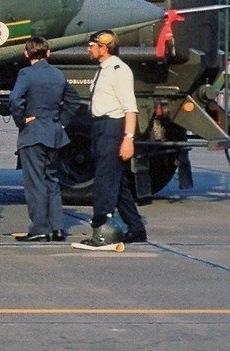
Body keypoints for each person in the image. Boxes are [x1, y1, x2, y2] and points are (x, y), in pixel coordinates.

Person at [8, 36, 81, 242]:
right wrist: (61, 121)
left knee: (35, 182)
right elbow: (73, 100)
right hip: (54, 132)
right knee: (52, 180)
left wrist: (21, 120)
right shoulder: (58, 75)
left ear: (26, 54)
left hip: (33, 132)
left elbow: (14, 98)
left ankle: (40, 227)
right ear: (48, 53)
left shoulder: (26, 74)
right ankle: (57, 227)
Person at [81, 29, 148, 246]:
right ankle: (136, 228)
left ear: (105, 46)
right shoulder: (104, 69)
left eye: (92, 45)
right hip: (100, 127)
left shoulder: (119, 70)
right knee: (118, 183)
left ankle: (102, 231)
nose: (88, 49)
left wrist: (128, 138)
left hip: (113, 127)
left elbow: (130, 108)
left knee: (104, 182)